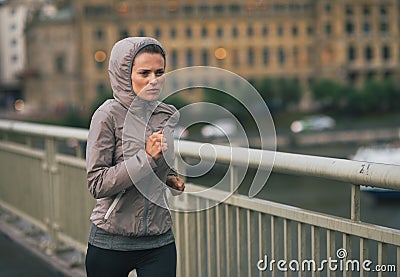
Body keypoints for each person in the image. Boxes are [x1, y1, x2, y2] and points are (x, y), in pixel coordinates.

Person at [85, 37, 185, 277]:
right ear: (124, 74)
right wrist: (146, 158)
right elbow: (96, 183)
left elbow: (161, 164)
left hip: (159, 239)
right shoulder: (107, 115)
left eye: (159, 72)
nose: (153, 80)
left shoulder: (167, 114)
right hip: (111, 240)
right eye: (144, 73)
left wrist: (170, 177)